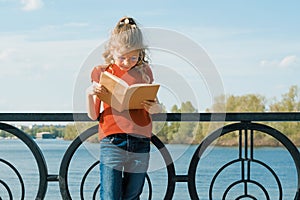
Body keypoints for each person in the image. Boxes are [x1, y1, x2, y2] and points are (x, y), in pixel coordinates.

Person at [86, 16, 162, 200]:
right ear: (112, 51)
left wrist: (155, 108)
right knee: (110, 195)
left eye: (133, 57)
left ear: (140, 53)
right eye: (122, 58)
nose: (128, 62)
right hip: (112, 142)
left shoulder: (145, 72)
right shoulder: (102, 72)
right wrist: (89, 94)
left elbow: (157, 108)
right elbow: (93, 114)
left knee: (133, 196)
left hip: (140, 141)